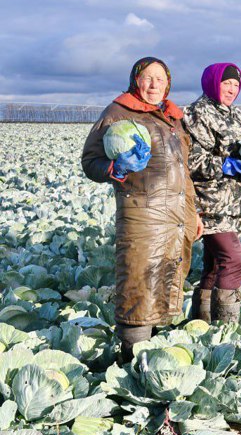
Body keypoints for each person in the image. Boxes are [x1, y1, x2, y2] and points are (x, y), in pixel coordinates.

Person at [81, 57, 202, 362]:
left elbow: (182, 171)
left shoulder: (172, 118)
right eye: (147, 78)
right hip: (141, 215)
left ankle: (153, 357)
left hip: (175, 216)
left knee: (166, 279)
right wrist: (113, 167)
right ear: (136, 80)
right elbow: (90, 161)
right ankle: (131, 356)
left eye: (159, 79)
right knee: (138, 281)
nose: (153, 85)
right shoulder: (118, 112)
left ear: (168, 83)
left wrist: (192, 213)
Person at [184, 63, 241, 324]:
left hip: (234, 203)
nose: (231, 89)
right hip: (210, 203)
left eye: (235, 84)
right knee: (233, 261)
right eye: (226, 83)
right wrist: (226, 165)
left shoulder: (236, 115)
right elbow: (191, 160)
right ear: (212, 83)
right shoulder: (198, 113)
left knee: (213, 266)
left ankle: (201, 324)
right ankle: (226, 329)